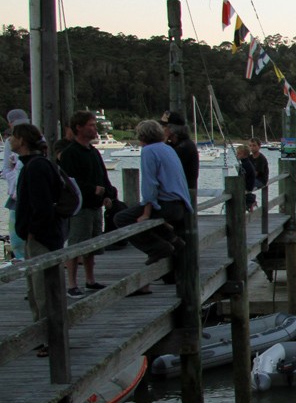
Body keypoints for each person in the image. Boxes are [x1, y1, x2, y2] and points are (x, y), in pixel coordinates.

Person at [114, 120, 192, 286]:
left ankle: (157, 248)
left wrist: (146, 213)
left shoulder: (149, 151)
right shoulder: (168, 149)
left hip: (166, 204)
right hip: (179, 204)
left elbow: (150, 184)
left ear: (142, 137)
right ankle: (171, 239)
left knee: (121, 218)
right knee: (148, 221)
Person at [10, 123, 66, 324]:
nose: (10, 140)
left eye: (13, 137)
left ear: (22, 140)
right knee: (35, 288)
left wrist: (33, 231)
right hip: (40, 235)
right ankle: (41, 333)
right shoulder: (35, 164)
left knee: (43, 290)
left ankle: (49, 337)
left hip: (41, 238)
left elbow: (41, 205)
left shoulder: (36, 166)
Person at [59, 110, 115, 298]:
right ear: (79, 127)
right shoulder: (70, 153)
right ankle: (72, 283)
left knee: (92, 245)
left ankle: (90, 279)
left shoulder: (94, 152)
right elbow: (68, 180)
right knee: (76, 245)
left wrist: (108, 194)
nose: (94, 128)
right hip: (79, 207)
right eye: (91, 125)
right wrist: (92, 189)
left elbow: (103, 176)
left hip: (95, 206)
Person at [2, 108, 29, 262]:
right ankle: (20, 261)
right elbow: (5, 169)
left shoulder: (38, 140)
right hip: (16, 197)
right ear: (10, 124)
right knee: (17, 237)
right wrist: (14, 177)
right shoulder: (9, 143)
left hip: (30, 195)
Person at [161, 111, 199, 192]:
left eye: (164, 126)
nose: (161, 129)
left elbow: (164, 164)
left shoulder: (185, 147)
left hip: (183, 195)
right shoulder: (174, 145)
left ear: (171, 129)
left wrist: (163, 140)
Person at [236, 144, 258, 211]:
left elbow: (242, 179)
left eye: (239, 153)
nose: (237, 155)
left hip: (247, 188)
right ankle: (251, 202)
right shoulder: (248, 163)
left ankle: (250, 202)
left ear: (245, 154)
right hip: (249, 186)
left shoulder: (245, 165)